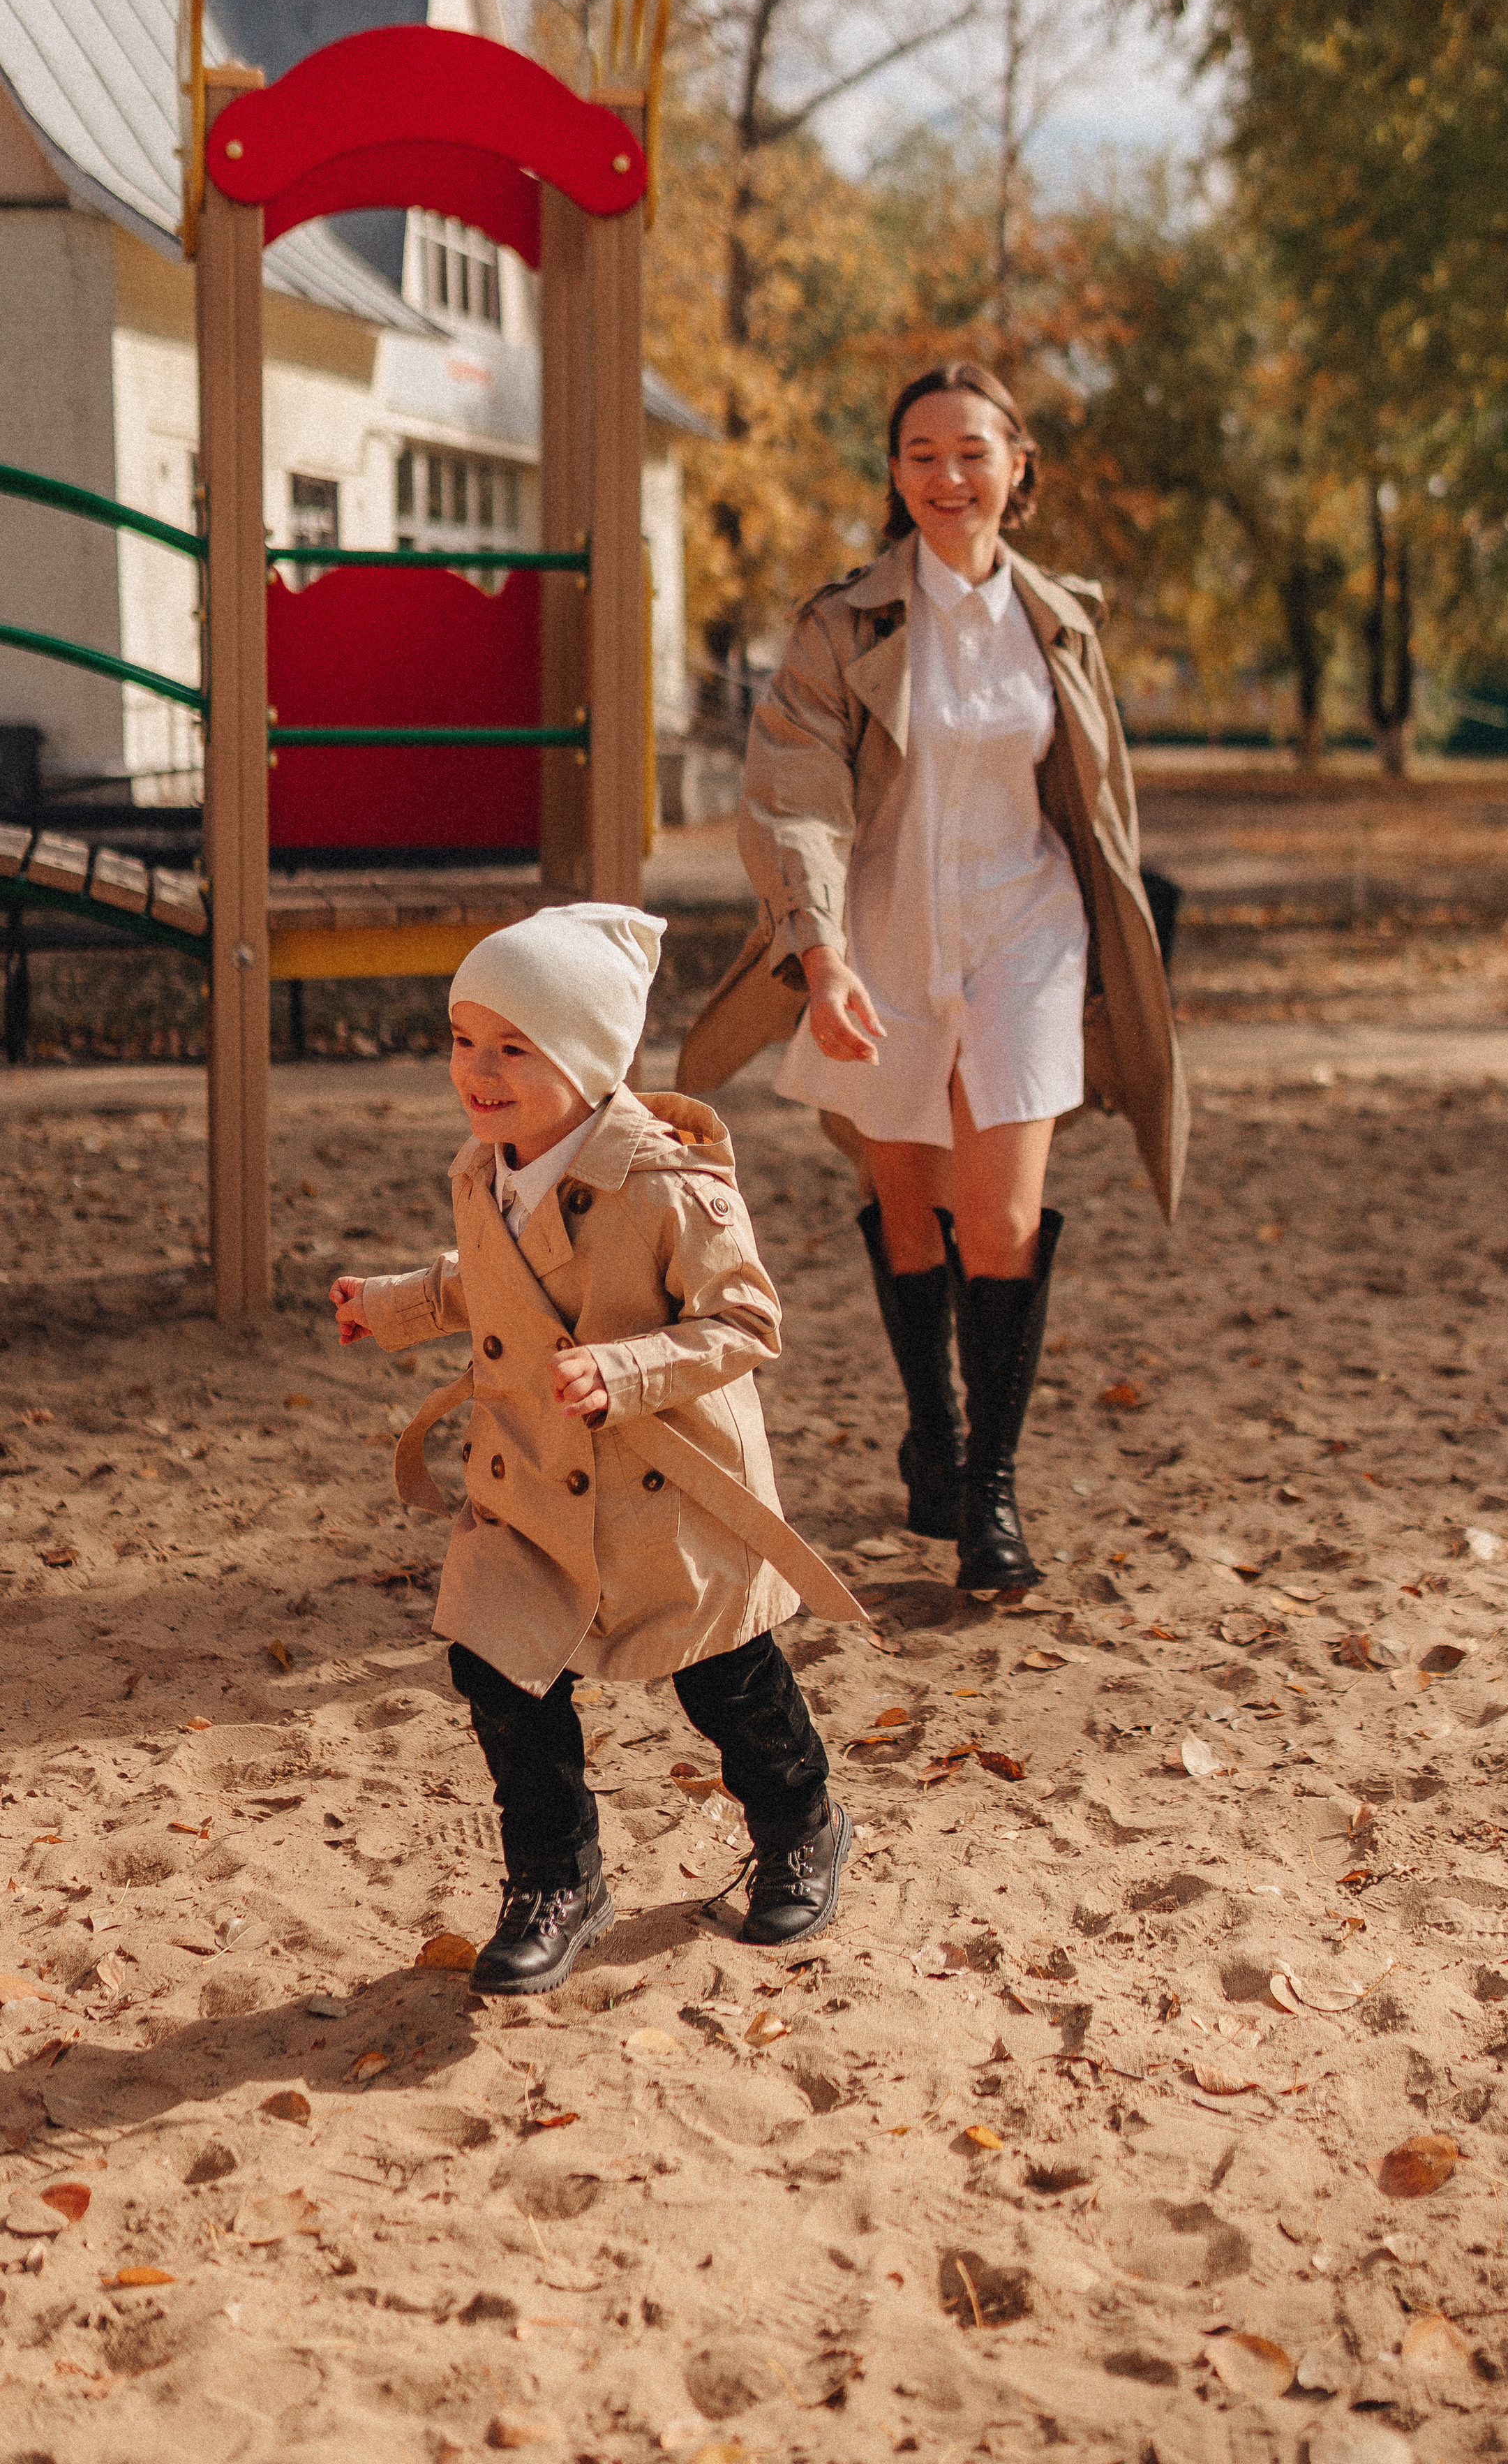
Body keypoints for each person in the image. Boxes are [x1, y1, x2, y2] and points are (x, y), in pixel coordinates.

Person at [679, 362, 1188, 1595]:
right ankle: (937, 1434)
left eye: (972, 452)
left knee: (1001, 1216)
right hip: (880, 936)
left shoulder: (1063, 623)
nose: (947, 476)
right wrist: (821, 949)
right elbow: (792, 792)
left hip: (1028, 931)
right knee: (909, 1202)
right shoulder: (844, 624)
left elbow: (1097, 800)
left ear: (1019, 471)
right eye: (920, 454)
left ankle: (993, 1497)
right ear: (896, 475)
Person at [328, 904, 860, 1995]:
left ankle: (803, 1820)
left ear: (584, 1056)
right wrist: (391, 1304)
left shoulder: (668, 1185)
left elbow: (749, 1322)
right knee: (496, 1663)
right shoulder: (488, 1170)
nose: (478, 1071)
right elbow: (490, 1281)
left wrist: (628, 1371)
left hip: (664, 1491)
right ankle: (555, 1881)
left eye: (513, 1047)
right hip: (528, 1481)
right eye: (463, 1042)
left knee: (723, 1677)